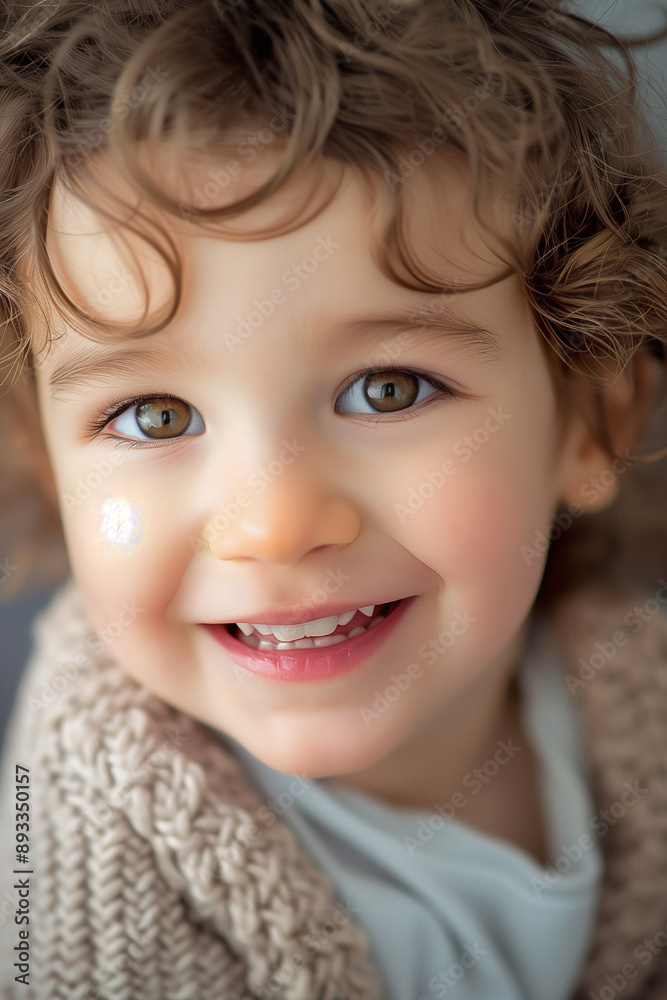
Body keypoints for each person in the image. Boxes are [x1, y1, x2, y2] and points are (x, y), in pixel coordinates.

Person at [0, 1, 666, 997]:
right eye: (153, 416)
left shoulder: (629, 690)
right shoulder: (82, 883)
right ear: (49, 466)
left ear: (590, 425)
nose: (274, 523)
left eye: (387, 390)